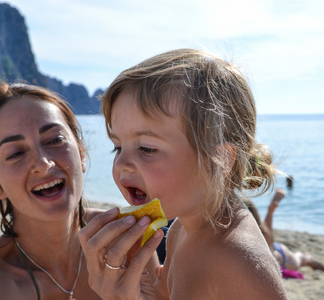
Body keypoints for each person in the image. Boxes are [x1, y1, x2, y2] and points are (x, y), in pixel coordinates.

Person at [78, 49, 288, 299]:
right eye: (118, 147)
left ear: (220, 160)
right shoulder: (180, 231)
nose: (122, 163)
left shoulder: (238, 262)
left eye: (147, 148)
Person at [0, 83, 157, 299]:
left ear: (81, 153)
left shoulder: (127, 242)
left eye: (54, 140)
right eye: (16, 154)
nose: (43, 163)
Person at [245, 189, 324, 275]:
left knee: (304, 257)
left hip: (285, 259)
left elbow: (268, 254)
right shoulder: (261, 231)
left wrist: (271, 209)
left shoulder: (259, 234)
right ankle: (271, 208)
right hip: (278, 251)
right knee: (302, 256)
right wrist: (270, 209)